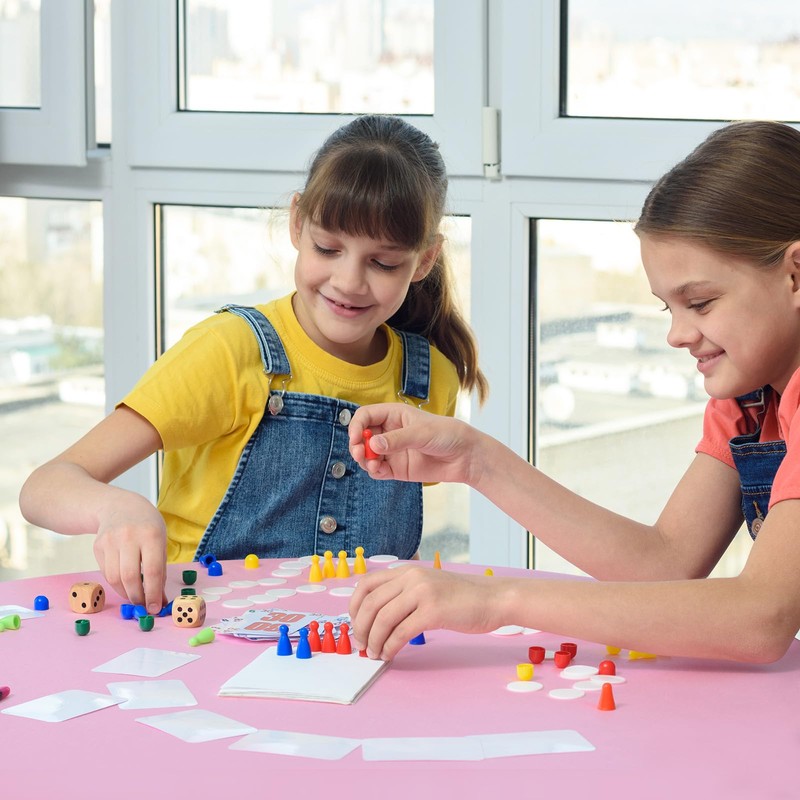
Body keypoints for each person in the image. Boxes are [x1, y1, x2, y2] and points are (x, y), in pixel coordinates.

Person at [347, 119, 800, 665]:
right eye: (669, 307)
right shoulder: (749, 400)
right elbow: (665, 564)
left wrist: (497, 599)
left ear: (795, 274)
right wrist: (474, 459)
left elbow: (761, 616)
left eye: (700, 303)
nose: (677, 334)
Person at [19, 114, 487, 614]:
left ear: (424, 260)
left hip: (346, 644)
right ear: (297, 224)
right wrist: (116, 506)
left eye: (383, 262)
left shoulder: (428, 381)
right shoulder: (230, 349)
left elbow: (393, 550)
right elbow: (44, 487)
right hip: (199, 636)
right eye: (328, 248)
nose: (349, 281)